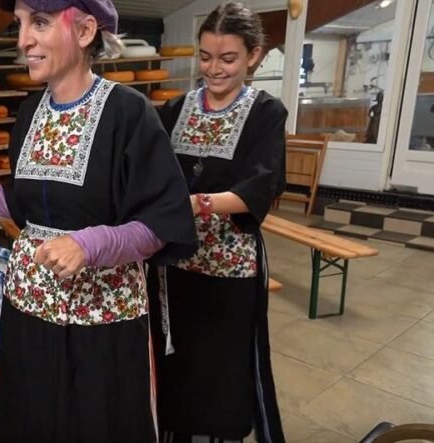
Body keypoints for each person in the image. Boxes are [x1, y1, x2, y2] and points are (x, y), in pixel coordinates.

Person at [0, 0, 197, 441]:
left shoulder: (128, 114)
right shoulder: (29, 114)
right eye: (19, 25)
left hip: (101, 321)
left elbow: (161, 223)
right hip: (30, 310)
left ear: (86, 30)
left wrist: (89, 245)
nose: (22, 41)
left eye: (39, 23)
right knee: (34, 421)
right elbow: (26, 209)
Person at [148, 3, 287, 442]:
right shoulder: (175, 108)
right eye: (205, 57)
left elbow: (262, 186)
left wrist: (196, 204)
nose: (214, 69)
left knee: (221, 366)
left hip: (230, 265)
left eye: (227, 59)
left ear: (254, 56)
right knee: (177, 360)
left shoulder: (266, 112)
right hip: (174, 261)